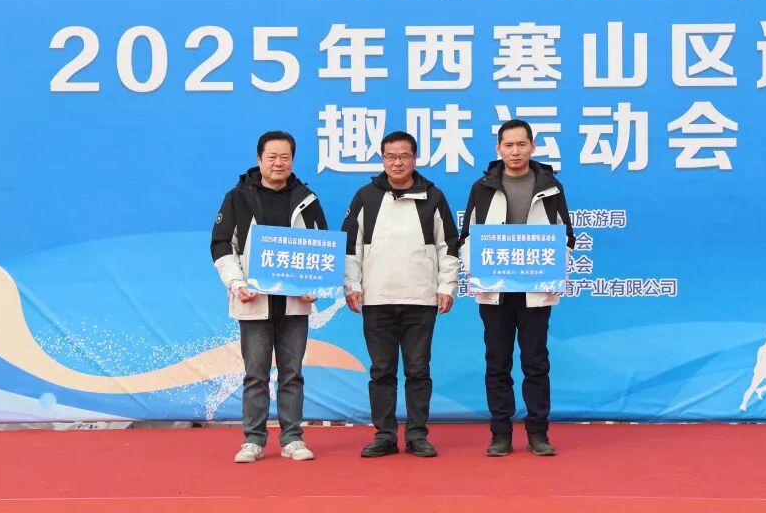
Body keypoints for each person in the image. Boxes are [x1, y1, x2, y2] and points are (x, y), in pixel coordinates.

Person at [458, 119, 575, 457]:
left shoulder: (551, 187)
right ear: (498, 149)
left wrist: (555, 266)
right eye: (508, 145)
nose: (515, 151)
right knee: (497, 362)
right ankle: (500, 433)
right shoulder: (482, 187)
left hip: (535, 288)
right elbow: (467, 237)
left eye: (521, 144)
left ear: (533, 146)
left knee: (536, 362)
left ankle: (538, 432)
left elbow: (565, 237)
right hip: (494, 289)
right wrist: (476, 268)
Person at [211, 131, 327, 464]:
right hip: (254, 300)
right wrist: (236, 283)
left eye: (285, 157)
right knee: (255, 375)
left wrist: (316, 285)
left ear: (293, 160)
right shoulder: (237, 198)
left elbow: (322, 247)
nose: (279, 163)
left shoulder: (307, 199)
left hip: (295, 303)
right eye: (272, 157)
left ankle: (292, 438)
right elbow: (222, 245)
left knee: (292, 374)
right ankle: (253, 440)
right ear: (259, 158)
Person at [342, 130, 459, 458]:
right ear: (382, 159)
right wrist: (352, 285)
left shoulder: (433, 197)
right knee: (381, 370)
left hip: (420, 299)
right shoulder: (365, 196)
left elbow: (448, 245)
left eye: (404, 156)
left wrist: (446, 286)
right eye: (390, 156)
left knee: (418, 370)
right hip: (377, 298)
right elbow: (351, 245)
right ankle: (384, 435)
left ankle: (418, 435)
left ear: (415, 159)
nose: (397, 162)